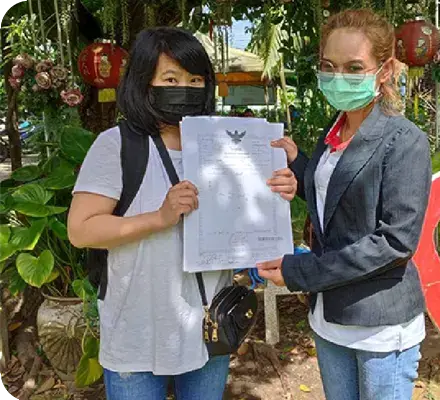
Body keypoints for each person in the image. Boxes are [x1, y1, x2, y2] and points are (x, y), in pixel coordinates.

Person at [67, 27, 297, 400]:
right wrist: (158, 218)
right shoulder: (117, 145)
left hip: (209, 325)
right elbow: (80, 230)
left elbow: (247, 220)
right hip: (136, 331)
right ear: (144, 82)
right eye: (170, 78)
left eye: (195, 80)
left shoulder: (226, 144)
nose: (185, 89)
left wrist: (279, 188)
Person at [257, 9, 432, 400]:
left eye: (355, 67)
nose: (339, 78)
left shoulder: (404, 141)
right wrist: (298, 168)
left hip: (378, 323)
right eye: (328, 66)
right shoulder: (336, 130)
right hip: (329, 318)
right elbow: (339, 197)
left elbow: (395, 243)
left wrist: (302, 271)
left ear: (384, 70)